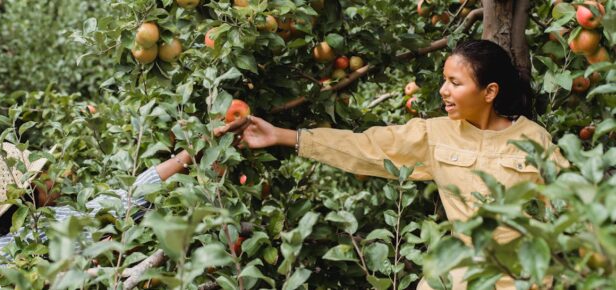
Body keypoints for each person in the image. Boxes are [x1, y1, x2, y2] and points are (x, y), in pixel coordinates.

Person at [237, 40, 568, 289]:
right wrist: (282, 136)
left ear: (489, 91)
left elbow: (569, 208)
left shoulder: (533, 139)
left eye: (455, 82)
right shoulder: (434, 134)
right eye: (444, 80)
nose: (443, 91)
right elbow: (364, 147)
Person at [0, 118, 249, 264]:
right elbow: (125, 201)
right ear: (30, 190)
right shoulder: (45, 225)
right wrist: (188, 154)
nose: (53, 178)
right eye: (44, 175)